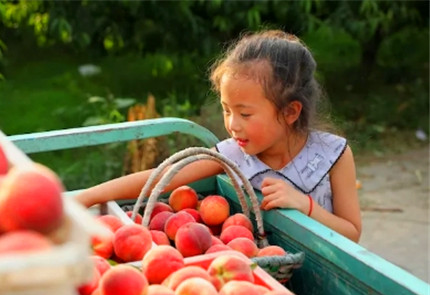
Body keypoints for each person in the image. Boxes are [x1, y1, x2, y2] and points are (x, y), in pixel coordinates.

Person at [75, 29, 362, 243]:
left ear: (290, 112)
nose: (232, 125)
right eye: (226, 110)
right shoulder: (233, 155)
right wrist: (86, 197)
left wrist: (305, 205)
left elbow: (352, 234)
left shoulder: (333, 155)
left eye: (245, 114)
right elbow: (162, 177)